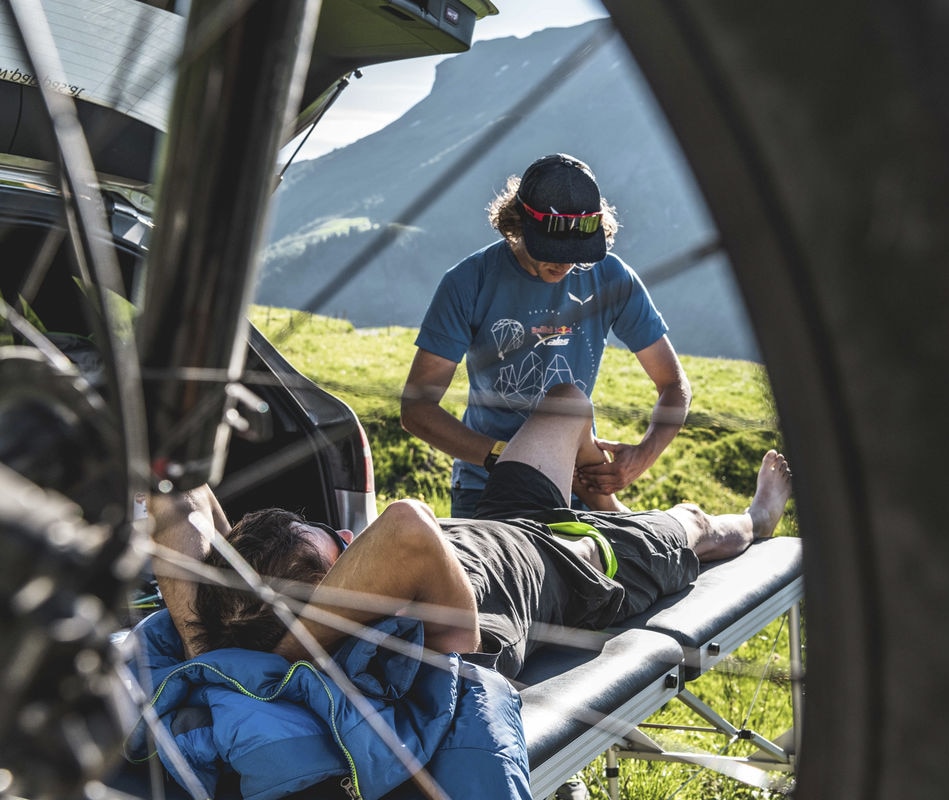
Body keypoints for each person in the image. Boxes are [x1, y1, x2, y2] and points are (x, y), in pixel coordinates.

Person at [151, 383, 792, 680]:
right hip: (583, 562)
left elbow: (174, 496)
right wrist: (293, 652)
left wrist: (208, 644)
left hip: (500, 521)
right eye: (344, 555)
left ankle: (600, 491)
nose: (354, 540)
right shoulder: (432, 641)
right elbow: (405, 526)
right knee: (694, 524)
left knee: (568, 401)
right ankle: (758, 519)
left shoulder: (227, 638)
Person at [401, 152, 692, 517]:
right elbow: (417, 409)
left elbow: (673, 384)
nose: (566, 263)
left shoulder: (611, 277)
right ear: (517, 223)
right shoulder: (468, 281)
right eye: (553, 251)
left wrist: (641, 456)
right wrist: (504, 457)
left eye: (578, 251)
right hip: (486, 484)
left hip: (576, 483)